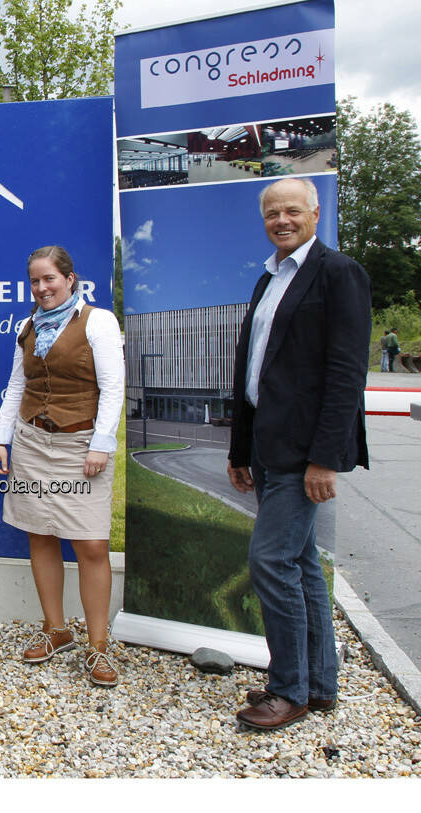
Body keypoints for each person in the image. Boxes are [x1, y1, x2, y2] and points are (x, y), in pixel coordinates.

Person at [228, 177, 370, 731]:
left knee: (271, 561)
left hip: (303, 453)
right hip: (266, 447)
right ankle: (318, 683)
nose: (281, 220)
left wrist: (325, 459)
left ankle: (288, 689)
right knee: (303, 564)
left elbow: (345, 374)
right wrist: (241, 448)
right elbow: (252, 372)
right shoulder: (269, 279)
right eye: (271, 213)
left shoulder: (338, 274)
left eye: (292, 210)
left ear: (316, 212)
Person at [0, 245, 124, 686]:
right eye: (35, 281)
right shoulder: (27, 326)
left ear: (71, 278)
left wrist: (101, 444)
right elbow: (15, 385)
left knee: (90, 546)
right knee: (41, 534)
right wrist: (0, 438)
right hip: (31, 442)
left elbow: (113, 387)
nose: (42, 287)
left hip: (80, 446)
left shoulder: (98, 321)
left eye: (50, 278)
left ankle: (98, 648)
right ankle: (56, 629)